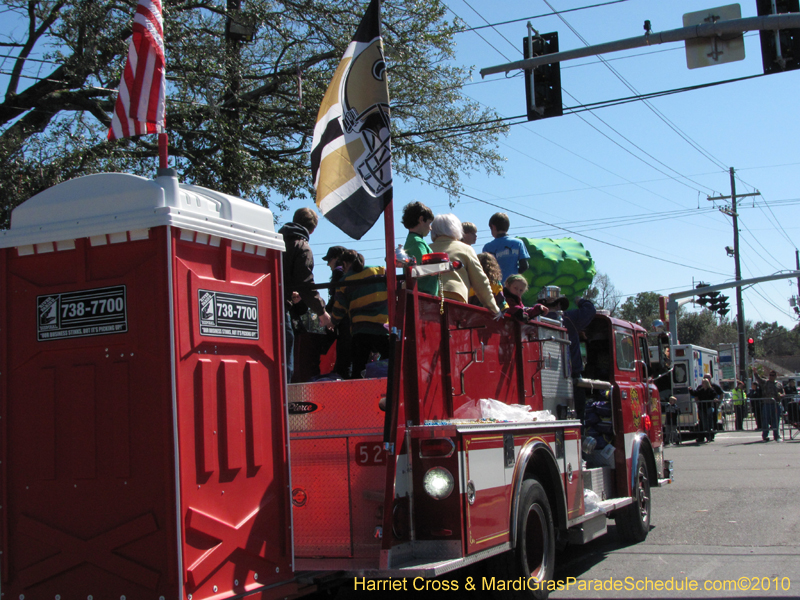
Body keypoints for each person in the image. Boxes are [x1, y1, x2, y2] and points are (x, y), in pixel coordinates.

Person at [279, 208, 332, 383]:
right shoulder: (302, 246)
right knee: (286, 363)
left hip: (265, 304)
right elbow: (306, 284)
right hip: (282, 309)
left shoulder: (275, 241)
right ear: (313, 229)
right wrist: (322, 312)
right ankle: (284, 396)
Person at [329, 250, 390, 379]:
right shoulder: (379, 271)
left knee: (358, 369)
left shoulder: (344, 281)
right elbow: (396, 284)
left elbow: (339, 309)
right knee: (391, 363)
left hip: (360, 331)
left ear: (344, 263)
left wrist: (332, 322)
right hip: (382, 328)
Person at [429, 214, 502, 318]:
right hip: (455, 299)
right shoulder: (466, 249)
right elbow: (480, 281)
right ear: (456, 229)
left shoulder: (427, 249)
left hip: (427, 300)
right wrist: (494, 308)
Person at [541, 292, 597, 422]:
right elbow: (590, 310)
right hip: (571, 376)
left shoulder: (534, 319)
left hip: (542, 377)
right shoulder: (568, 318)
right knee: (577, 417)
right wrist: (580, 300)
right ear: (559, 304)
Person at [322, 246, 352, 379]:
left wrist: (327, 313)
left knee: (343, 353)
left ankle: (342, 379)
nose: (328, 264)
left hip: (342, 319)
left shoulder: (338, 272)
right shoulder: (349, 273)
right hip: (349, 318)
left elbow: (337, 297)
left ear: (337, 258)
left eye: (329, 260)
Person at [401, 201, 438, 296]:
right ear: (421, 219)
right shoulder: (417, 242)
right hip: (422, 295)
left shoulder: (413, 240)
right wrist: (444, 266)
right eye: (429, 223)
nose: (430, 228)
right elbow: (422, 269)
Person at [482, 212, 530, 283]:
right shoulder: (518, 243)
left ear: (493, 227)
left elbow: (485, 270)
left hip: (496, 286)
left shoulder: (488, 247)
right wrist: (514, 276)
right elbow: (525, 266)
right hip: (513, 285)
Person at [751, 367, 784, 442]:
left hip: (776, 404)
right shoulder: (765, 382)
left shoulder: (779, 384)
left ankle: (776, 435)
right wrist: (755, 372)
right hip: (767, 404)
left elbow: (783, 393)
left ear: (775, 376)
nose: (771, 376)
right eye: (770, 375)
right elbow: (758, 379)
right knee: (765, 420)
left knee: (776, 420)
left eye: (773, 375)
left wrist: (781, 395)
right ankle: (765, 436)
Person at [689, 378, 717, 443]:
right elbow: (695, 393)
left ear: (707, 383)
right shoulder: (701, 390)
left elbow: (715, 395)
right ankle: (707, 436)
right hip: (702, 408)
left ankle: (710, 435)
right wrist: (690, 390)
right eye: (702, 383)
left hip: (709, 407)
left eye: (704, 383)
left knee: (710, 421)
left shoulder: (711, 390)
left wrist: (715, 399)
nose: (703, 384)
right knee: (704, 423)